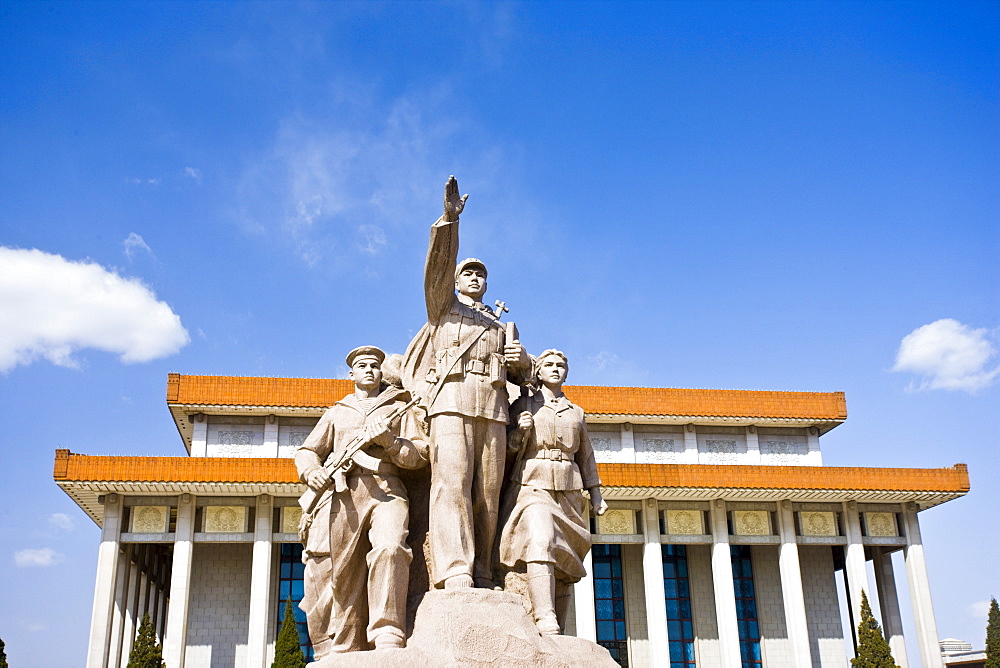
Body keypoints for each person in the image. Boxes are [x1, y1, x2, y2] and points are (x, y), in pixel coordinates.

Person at [402, 176, 532, 590]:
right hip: (451, 401)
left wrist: (522, 361)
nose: (474, 278)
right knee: (451, 483)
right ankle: (455, 568)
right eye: (467, 273)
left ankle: (483, 570)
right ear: (456, 282)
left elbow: (525, 377)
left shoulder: (499, 324)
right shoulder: (443, 307)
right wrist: (450, 221)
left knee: (487, 495)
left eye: (480, 274)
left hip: (492, 407)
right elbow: (437, 265)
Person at [295, 346, 428, 656]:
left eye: (375, 366)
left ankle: (388, 632)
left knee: (391, 547)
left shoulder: (399, 407)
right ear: (350, 374)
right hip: (345, 494)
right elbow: (308, 450)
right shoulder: (337, 412)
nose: (369, 370)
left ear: (382, 372)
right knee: (346, 572)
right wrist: (312, 471)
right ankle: (347, 644)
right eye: (362, 366)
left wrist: (391, 443)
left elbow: (420, 454)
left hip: (387, 489)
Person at [498, 349, 608, 635]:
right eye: (549, 365)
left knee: (566, 555)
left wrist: (595, 493)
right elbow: (504, 452)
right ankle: (544, 617)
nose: (555, 369)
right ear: (538, 371)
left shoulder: (576, 412)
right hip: (533, 485)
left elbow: (586, 456)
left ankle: (558, 620)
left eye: (561, 365)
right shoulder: (523, 404)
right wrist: (518, 433)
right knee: (540, 540)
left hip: (569, 489)